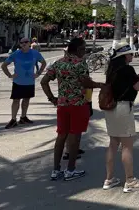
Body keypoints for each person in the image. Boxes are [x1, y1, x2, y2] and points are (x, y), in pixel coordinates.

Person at [41, 38, 102, 181]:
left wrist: (52, 98)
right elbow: (86, 83)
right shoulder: (80, 64)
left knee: (61, 136)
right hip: (78, 104)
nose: (85, 51)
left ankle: (56, 170)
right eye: (84, 48)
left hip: (62, 105)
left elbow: (44, 82)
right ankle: (70, 170)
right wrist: (101, 85)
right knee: (74, 137)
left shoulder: (58, 63)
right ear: (79, 49)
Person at [103, 42, 139, 193]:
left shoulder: (111, 69)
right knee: (127, 145)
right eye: (130, 54)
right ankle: (129, 180)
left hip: (111, 108)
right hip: (123, 108)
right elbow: (138, 87)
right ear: (124, 56)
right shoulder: (127, 69)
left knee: (113, 143)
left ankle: (109, 179)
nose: (132, 56)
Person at [1, 36, 47, 128]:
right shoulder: (16, 54)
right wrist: (10, 75)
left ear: (30, 43)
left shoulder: (35, 53)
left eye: (26, 42)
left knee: (26, 100)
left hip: (29, 81)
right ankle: (13, 119)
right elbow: (4, 65)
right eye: (22, 43)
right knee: (16, 100)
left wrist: (38, 73)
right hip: (18, 82)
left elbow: (44, 63)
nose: (24, 44)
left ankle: (23, 117)